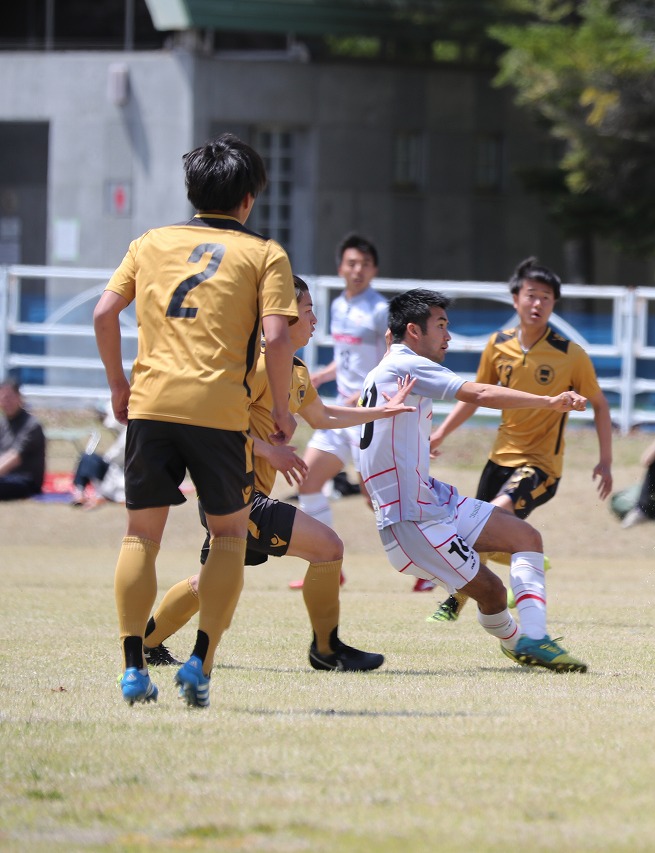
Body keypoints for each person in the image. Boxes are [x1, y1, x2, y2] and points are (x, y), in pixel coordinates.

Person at [93, 132, 299, 708]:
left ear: (193, 191)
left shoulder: (150, 242)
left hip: (151, 406)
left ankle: (133, 670)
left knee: (141, 535)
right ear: (248, 198)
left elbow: (105, 312)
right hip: (219, 412)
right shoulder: (265, 254)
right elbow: (278, 338)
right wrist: (282, 411)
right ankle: (199, 665)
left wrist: (119, 386)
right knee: (230, 535)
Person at [140, 277, 415, 672]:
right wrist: (269, 451)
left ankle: (147, 644)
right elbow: (215, 427)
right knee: (328, 548)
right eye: (307, 311)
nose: (315, 320)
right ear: (283, 316)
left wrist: (383, 411)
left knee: (210, 582)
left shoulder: (295, 370)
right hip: (235, 493)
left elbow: (323, 415)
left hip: (242, 496)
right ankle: (327, 650)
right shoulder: (253, 364)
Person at [358, 288, 589, 671]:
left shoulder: (387, 367)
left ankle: (535, 638)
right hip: (410, 520)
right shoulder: (405, 364)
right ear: (413, 331)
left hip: (431, 501)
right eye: (441, 326)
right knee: (492, 593)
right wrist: (549, 402)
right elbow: (478, 392)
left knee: (525, 537)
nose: (448, 337)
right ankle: (519, 642)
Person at [427, 257, 613, 622]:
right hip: (499, 458)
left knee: (494, 515)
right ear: (516, 299)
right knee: (476, 532)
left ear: (554, 304)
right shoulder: (498, 345)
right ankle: (498, 573)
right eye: (531, 295)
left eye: (546, 297)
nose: (537, 303)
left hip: (540, 466)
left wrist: (605, 460)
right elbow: (477, 395)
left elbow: (600, 405)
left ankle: (502, 577)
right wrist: (441, 433)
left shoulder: (571, 354)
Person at [288, 234, 407, 589]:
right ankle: (326, 565)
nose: (358, 270)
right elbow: (346, 358)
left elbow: (391, 359)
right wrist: (322, 375)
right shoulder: (339, 305)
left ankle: (428, 565)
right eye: (352, 263)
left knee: (375, 499)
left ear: (374, 270)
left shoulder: (380, 310)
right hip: (337, 414)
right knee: (308, 481)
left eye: (365, 264)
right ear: (340, 268)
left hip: (365, 415)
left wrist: (363, 392)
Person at [69, 406, 126, 507]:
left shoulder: (128, 432)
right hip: (116, 470)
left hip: (120, 474)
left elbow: (115, 458)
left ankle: (81, 493)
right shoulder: (125, 431)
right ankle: (80, 492)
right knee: (86, 457)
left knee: (88, 459)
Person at [0, 377, 45, 501]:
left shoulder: (32, 425)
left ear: (19, 397)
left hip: (25, 481)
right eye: (3, 398)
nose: (6, 402)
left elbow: (15, 457)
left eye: (9, 397)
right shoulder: (2, 423)